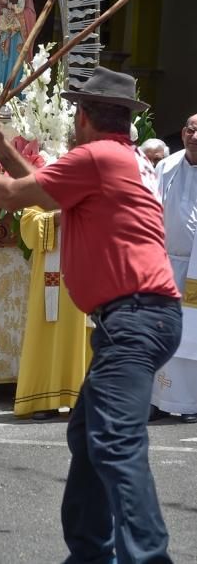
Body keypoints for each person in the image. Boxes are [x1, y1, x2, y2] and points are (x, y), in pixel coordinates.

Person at [0, 66, 182, 564]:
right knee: (89, 434)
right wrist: (1, 145)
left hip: (134, 316)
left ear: (82, 116)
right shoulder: (123, 157)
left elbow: (10, 196)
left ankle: (147, 557)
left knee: (115, 442)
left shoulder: (93, 158)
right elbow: (41, 187)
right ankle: (91, 552)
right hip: (142, 317)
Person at [14, 207, 92, 420]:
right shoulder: (47, 178)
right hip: (53, 276)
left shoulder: (95, 177)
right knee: (48, 330)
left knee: (85, 332)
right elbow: (28, 223)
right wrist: (58, 217)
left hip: (88, 267)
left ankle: (83, 400)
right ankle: (44, 399)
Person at [150, 115, 197, 423]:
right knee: (159, 332)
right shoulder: (165, 167)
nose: (195, 136)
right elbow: (150, 210)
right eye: (191, 130)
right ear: (182, 133)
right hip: (166, 263)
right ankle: (155, 400)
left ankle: (191, 401)